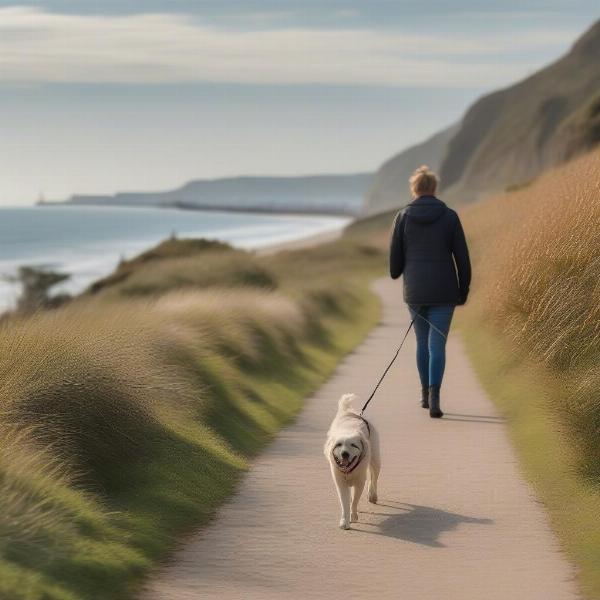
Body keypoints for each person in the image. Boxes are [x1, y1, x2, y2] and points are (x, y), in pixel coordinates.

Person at [389, 165, 471, 418]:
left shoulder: (402, 217)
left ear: (414, 188)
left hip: (415, 292)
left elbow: (394, 267)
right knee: (438, 344)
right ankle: (435, 397)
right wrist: (463, 289)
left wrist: (406, 270)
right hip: (444, 291)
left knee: (422, 342)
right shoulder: (450, 216)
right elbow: (463, 259)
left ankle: (424, 394)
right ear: (434, 188)